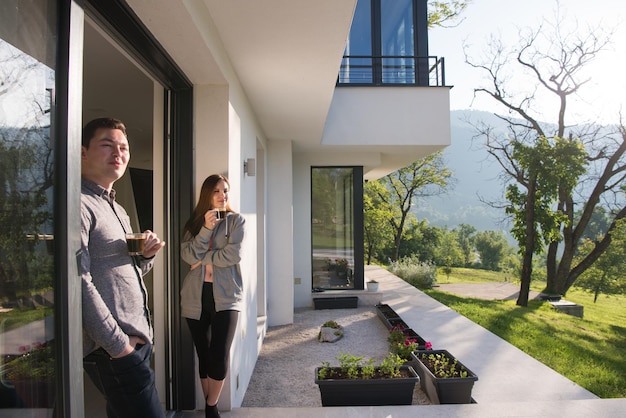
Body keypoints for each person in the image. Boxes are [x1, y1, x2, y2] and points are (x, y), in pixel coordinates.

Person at [80, 117, 166, 418]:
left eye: (124, 147)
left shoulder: (117, 209)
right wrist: (119, 346)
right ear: (82, 153)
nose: (118, 152)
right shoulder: (79, 204)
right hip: (114, 348)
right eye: (107, 145)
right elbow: (78, 282)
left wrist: (146, 257)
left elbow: (124, 274)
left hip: (134, 342)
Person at [180, 174, 245, 418]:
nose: (222, 195)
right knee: (203, 353)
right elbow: (188, 255)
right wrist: (206, 229)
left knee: (219, 353)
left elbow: (232, 256)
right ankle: (211, 407)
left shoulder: (236, 221)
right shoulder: (195, 224)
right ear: (207, 194)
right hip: (195, 296)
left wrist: (201, 260)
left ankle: (210, 405)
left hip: (227, 296)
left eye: (225, 190)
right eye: (216, 191)